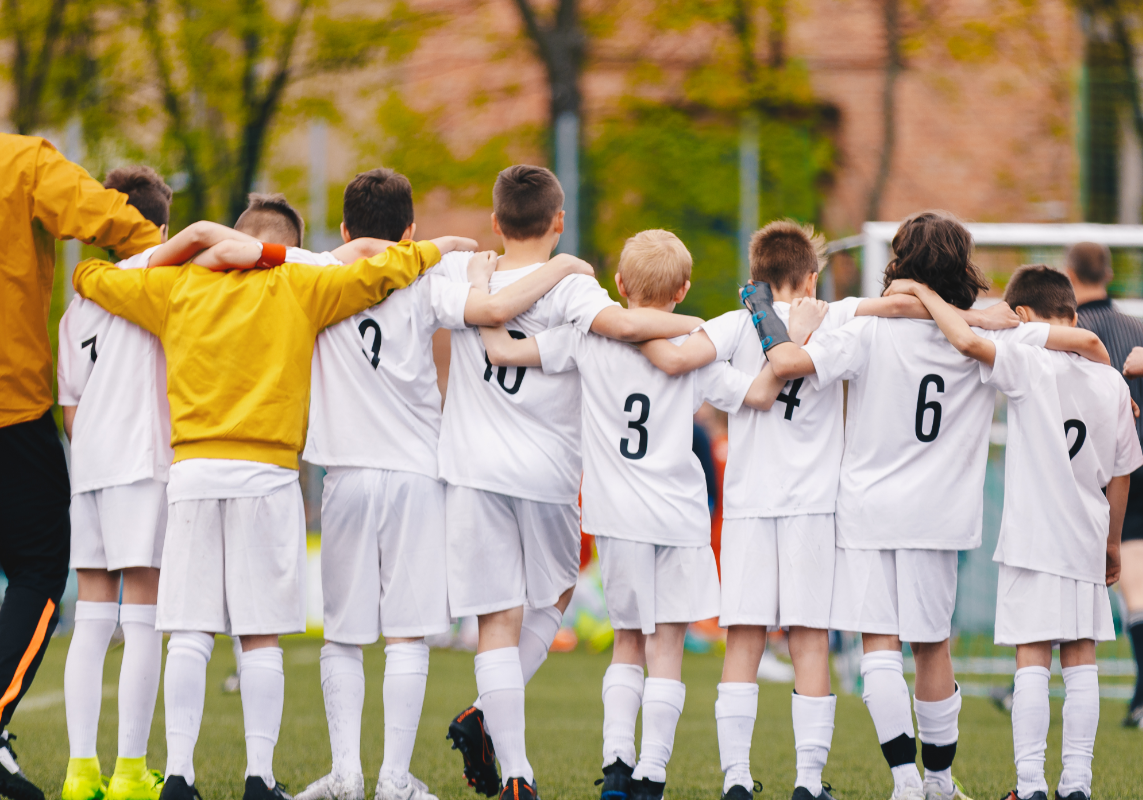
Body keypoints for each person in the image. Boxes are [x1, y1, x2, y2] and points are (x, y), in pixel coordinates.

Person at [71, 201, 476, 800]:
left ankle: (179, 775)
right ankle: (258, 778)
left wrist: (179, 247)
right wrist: (443, 245)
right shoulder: (302, 282)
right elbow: (382, 271)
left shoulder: (176, 286)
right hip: (268, 474)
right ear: (289, 245)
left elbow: (93, 278)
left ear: (236, 240)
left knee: (187, 631)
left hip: (195, 471)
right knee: (260, 636)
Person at [222, 169, 594, 800]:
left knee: (343, 635)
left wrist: (349, 253)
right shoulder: (427, 276)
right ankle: (394, 778)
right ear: (411, 229)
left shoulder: (314, 272)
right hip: (419, 474)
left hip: (343, 472)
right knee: (408, 635)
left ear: (344, 228)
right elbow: (494, 309)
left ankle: (345, 775)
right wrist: (552, 266)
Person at [635, 219, 1018, 800]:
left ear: (756, 275)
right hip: (825, 508)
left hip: (754, 507)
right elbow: (892, 309)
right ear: (811, 277)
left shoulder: (744, 324)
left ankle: (738, 778)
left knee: (745, 640)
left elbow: (679, 358)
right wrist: (975, 315)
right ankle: (813, 782)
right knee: (819, 642)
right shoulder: (840, 315)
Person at [754, 211, 1108, 800]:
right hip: (941, 512)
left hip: (867, 507)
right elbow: (1076, 347)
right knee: (932, 645)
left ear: (900, 262)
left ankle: (905, 781)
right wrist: (1115, 397)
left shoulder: (866, 326)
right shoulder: (988, 332)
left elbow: (797, 361)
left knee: (879, 645)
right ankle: (941, 781)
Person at [477, 230, 783, 800]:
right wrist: (791, 340)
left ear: (618, 285)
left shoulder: (587, 338)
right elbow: (760, 395)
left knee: (627, 641)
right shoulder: (696, 347)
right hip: (679, 517)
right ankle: (652, 773)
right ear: (684, 289)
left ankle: (616, 766)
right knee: (668, 644)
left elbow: (504, 352)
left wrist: (481, 296)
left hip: (616, 516)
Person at [436, 166, 710, 800]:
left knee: (494, 621)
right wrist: (706, 328)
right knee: (554, 594)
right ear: (558, 221)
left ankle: (518, 774)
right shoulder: (578, 291)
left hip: (471, 469)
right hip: (547, 472)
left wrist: (465, 261)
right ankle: (483, 716)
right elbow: (626, 326)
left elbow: (488, 329)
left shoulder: (463, 277)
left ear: (498, 221)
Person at [891, 266, 1140, 800]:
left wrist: (924, 292)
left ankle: (1029, 785)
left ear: (1021, 316)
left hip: (1033, 537)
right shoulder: (1113, 383)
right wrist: (1113, 542)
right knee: (1082, 658)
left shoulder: (1028, 360)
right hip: (1087, 534)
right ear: (1071, 315)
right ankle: (1078, 784)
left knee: (1032, 659)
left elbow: (965, 340)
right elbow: (1121, 477)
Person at [0, 134, 165, 800]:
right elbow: (105, 218)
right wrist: (167, 248)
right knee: (41, 566)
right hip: (10, 409)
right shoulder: (19, 162)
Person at [57, 166, 180, 800]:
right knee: (143, 618)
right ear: (161, 227)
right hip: (143, 464)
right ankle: (131, 770)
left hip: (92, 470)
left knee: (93, 618)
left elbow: (70, 405)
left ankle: (81, 772)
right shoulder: (165, 285)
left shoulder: (77, 306)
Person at [1064, 242, 1143, 730]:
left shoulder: (1069, 333)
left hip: (1078, 477)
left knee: (1058, 586)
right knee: (1141, 590)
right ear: (1108, 273)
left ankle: (1033, 680)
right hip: (1140, 473)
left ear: (1069, 274)